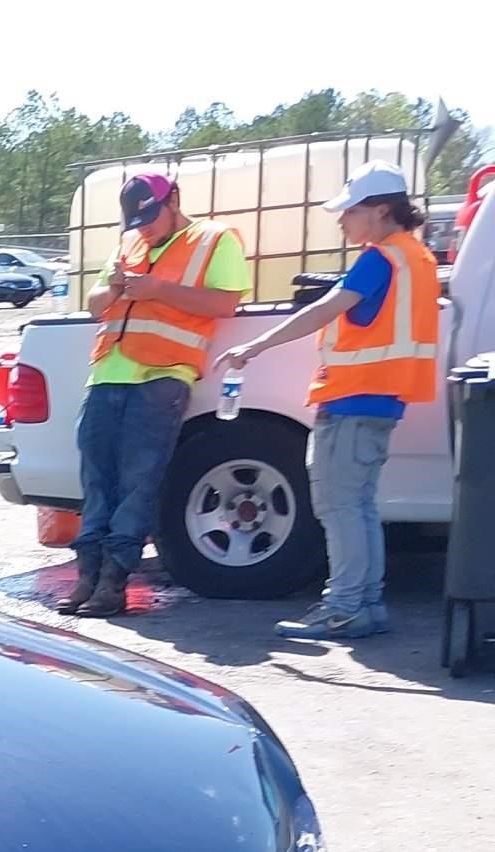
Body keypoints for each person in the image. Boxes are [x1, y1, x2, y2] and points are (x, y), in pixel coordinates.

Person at [218, 166, 443, 641]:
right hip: (381, 398)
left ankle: (344, 609)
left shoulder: (380, 259)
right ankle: (364, 604)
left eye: (351, 211)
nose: (341, 220)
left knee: (341, 507)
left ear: (382, 211)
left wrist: (252, 347)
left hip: (354, 397)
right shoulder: (416, 258)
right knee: (357, 506)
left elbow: (324, 310)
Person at [58, 173, 248, 617]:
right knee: (96, 478)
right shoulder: (130, 244)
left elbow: (225, 303)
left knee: (137, 481)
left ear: (174, 201)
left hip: (164, 374)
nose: (143, 227)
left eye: (150, 217)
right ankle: (87, 576)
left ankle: (113, 581)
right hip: (108, 372)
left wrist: (158, 289)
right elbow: (95, 303)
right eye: (136, 220)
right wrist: (118, 288)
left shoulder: (214, 238)